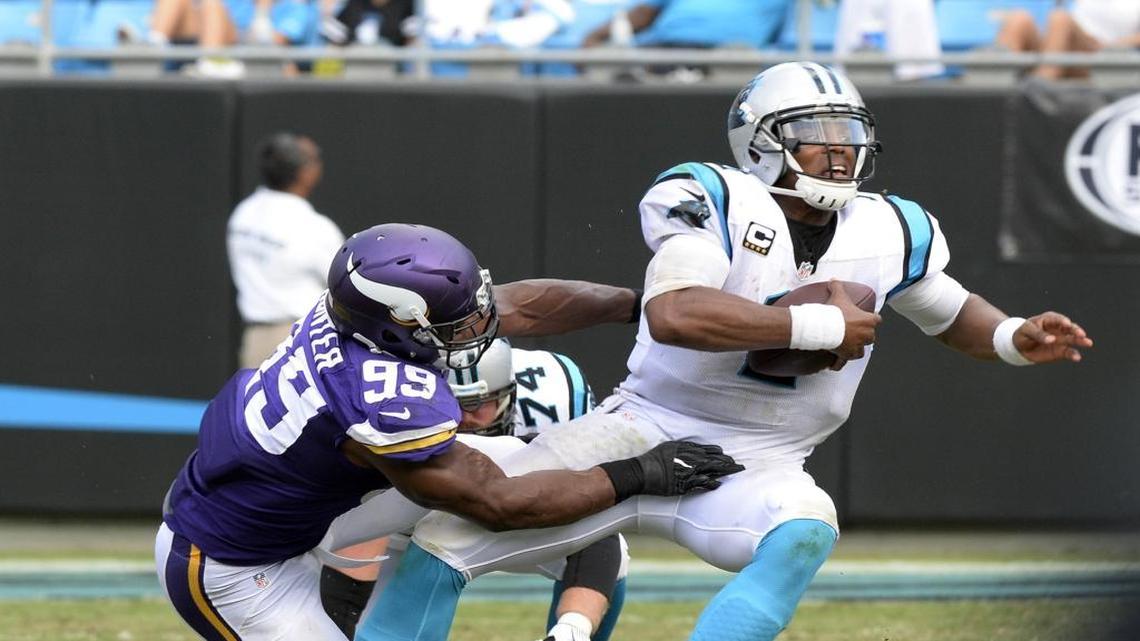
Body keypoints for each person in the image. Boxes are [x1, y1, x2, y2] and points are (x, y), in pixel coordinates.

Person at [356, 62, 1095, 641]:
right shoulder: (712, 197)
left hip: (765, 456)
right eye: (815, 131)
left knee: (806, 529)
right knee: (444, 538)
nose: (839, 151)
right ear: (762, 140)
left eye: (848, 132)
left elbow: (951, 311)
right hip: (644, 421)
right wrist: (819, 329)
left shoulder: (890, 229)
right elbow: (675, 313)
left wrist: (1013, 337)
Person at [155, 222, 741, 641]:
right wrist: (643, 473)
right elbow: (497, 504)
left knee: (518, 455)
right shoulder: (375, 392)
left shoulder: (355, 310)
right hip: (231, 565)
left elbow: (525, 307)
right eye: (461, 321)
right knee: (498, 475)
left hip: (286, 506)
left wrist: (638, 306)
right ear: (400, 327)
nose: (483, 325)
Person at [320, 338, 626, 641]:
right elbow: (366, 520)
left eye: (477, 403)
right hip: (411, 521)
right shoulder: (398, 403)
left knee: (605, 538)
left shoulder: (554, 393)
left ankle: (571, 634)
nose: (465, 418)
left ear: (509, 394)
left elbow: (597, 518)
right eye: (453, 403)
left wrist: (573, 627)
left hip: (521, 512)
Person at [227, 132, 343, 370]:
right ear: (305, 173)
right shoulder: (314, 227)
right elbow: (344, 285)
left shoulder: (243, 213)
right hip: (302, 342)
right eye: (316, 158)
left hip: (256, 340)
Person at [996, 0, 1140, 80]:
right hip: (1064, 43)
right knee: (1019, 20)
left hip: (1106, 57)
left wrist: (1111, 47)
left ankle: (1042, 86)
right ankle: (994, 87)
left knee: (1060, 19)